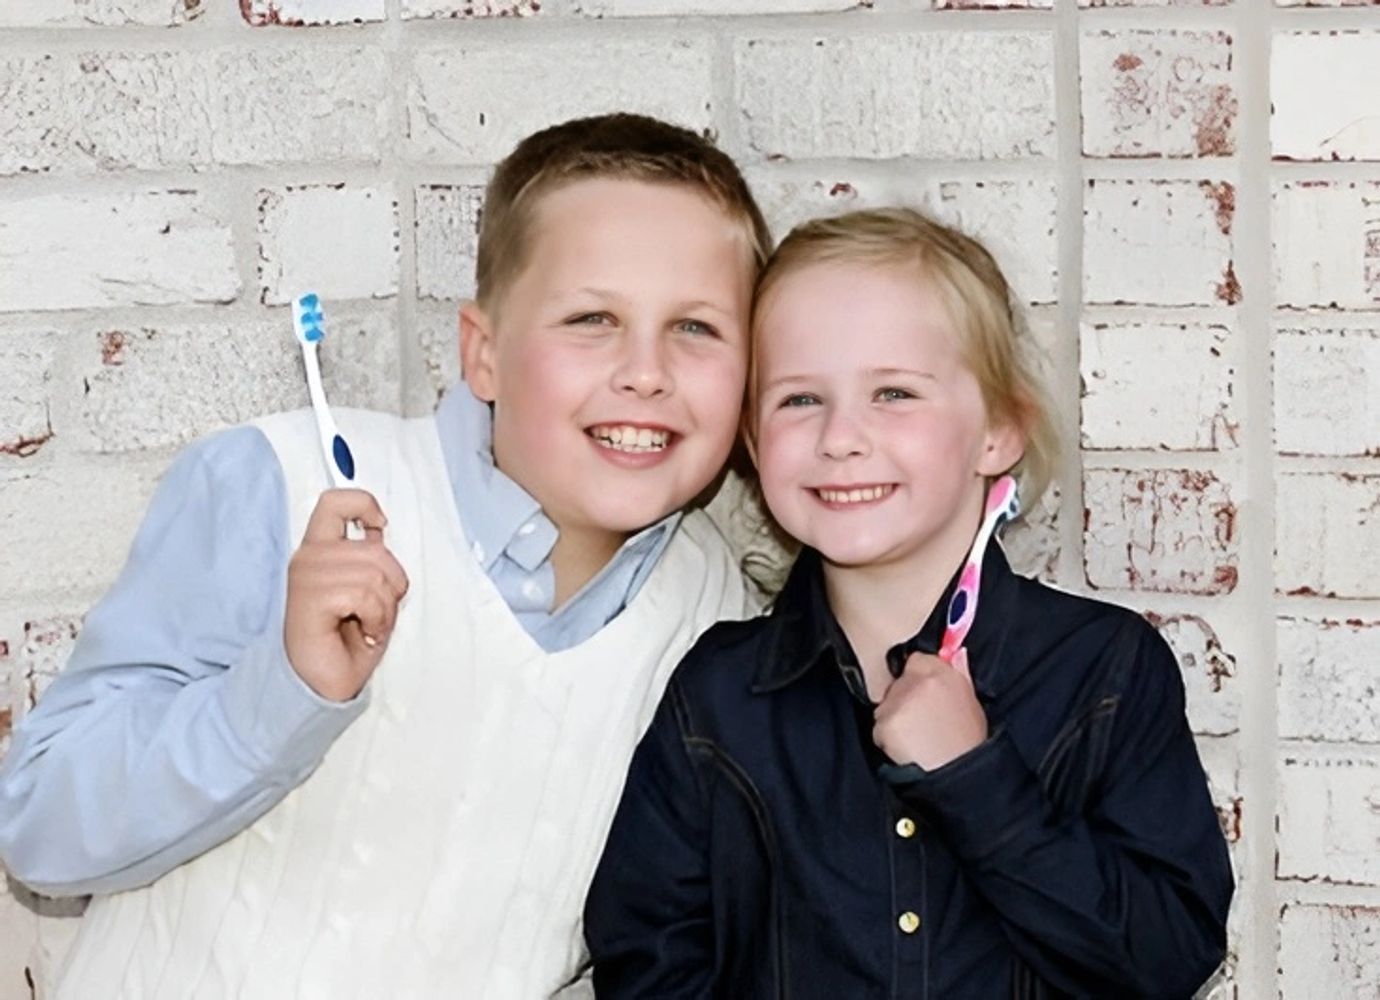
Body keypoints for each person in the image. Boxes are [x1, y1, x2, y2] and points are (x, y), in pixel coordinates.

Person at [0, 112, 771, 999]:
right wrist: (280, 691)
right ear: (483, 355)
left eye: (697, 329)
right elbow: (41, 829)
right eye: (592, 317)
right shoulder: (279, 489)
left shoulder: (723, 624)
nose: (646, 371)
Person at [584, 208, 1234, 999]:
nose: (841, 437)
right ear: (753, 444)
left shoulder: (1104, 670)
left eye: (893, 392)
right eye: (797, 400)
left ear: (999, 430)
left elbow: (1166, 958)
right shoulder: (717, 697)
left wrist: (977, 776)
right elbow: (645, 958)